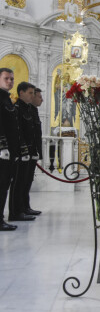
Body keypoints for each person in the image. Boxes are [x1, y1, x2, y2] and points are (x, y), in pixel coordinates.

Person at [8, 81, 36, 223]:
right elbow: (18, 131)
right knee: (18, 183)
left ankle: (23, 208)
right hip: (20, 152)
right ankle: (15, 212)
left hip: (28, 151)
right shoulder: (17, 108)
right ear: (21, 93)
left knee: (25, 181)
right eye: (30, 93)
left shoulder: (28, 109)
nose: (32, 96)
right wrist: (23, 150)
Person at [0, 68, 19, 230]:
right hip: (2, 152)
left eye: (12, 79)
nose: (10, 81)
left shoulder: (7, 99)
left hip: (9, 151)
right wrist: (2, 146)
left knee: (5, 184)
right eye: (6, 78)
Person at [24, 87, 43, 216]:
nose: (41, 99)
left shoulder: (33, 110)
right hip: (26, 151)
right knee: (22, 182)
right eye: (38, 96)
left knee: (27, 181)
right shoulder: (25, 110)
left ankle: (25, 207)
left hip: (32, 150)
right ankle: (18, 209)